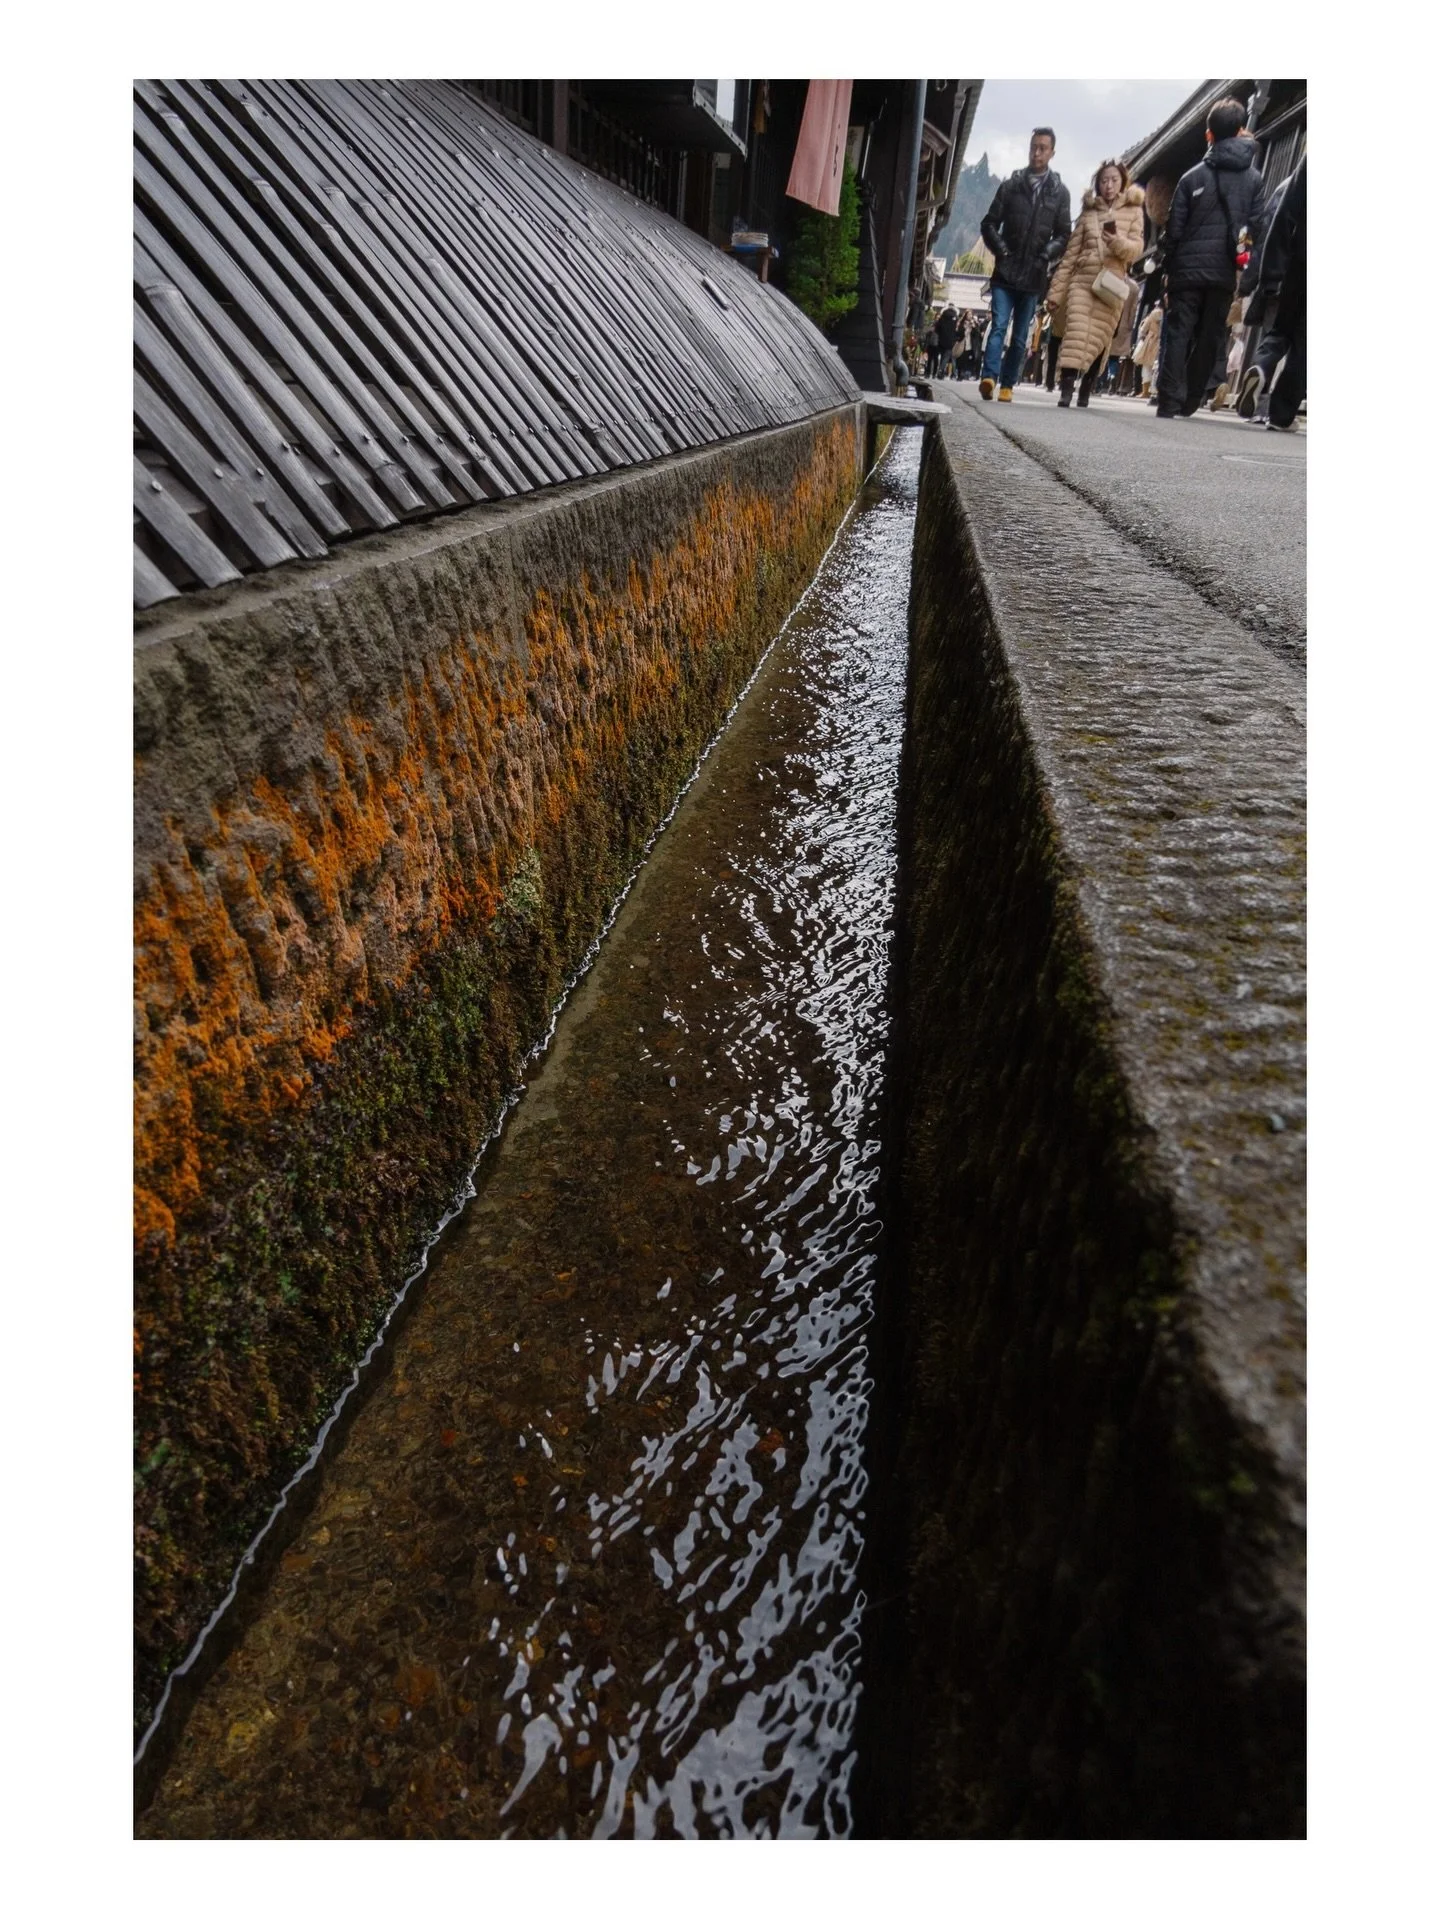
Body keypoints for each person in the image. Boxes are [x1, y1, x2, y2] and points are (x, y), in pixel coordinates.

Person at [1153, 97, 1263, 419]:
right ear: (1240, 131)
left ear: (1208, 134)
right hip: (1223, 271)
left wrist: (1168, 268)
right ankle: (1192, 398)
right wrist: (1241, 259)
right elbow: (1255, 225)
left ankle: (1169, 400)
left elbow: (1174, 229)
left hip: (1187, 270)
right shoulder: (1254, 179)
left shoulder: (1191, 178)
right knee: (1210, 334)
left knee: (1178, 332)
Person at [978, 126, 1072, 400]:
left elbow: (1063, 234)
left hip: (1033, 274)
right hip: (1005, 271)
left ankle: (1008, 384)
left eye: (1043, 148)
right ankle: (989, 377)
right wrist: (1002, 251)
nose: (1037, 153)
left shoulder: (1059, 193)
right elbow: (989, 224)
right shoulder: (1011, 186)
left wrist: (1045, 256)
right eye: (1033, 147)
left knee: (1020, 336)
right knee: (998, 326)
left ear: (1052, 152)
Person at [1045, 159, 1145, 408]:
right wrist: (1055, 293)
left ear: (1122, 182)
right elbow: (1070, 257)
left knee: (1100, 337)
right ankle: (1066, 388)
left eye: (1114, 180)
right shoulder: (1088, 214)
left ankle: (1087, 387)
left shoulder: (1134, 211)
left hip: (1111, 284)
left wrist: (1116, 242)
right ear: (1097, 184)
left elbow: (1136, 249)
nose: (1109, 185)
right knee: (1075, 333)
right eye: (1103, 181)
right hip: (1082, 281)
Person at [1236, 156, 1306, 429]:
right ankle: (1281, 415)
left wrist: (1271, 272)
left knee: (1280, 329)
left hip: (1298, 261)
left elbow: (1284, 213)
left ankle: (1262, 366)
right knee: (1305, 345)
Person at [935, 305, 959, 379]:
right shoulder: (955, 318)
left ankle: (941, 372)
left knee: (943, 355)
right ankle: (942, 371)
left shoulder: (942, 317)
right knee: (947, 356)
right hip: (951, 340)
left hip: (942, 339)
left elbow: (937, 328)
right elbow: (956, 329)